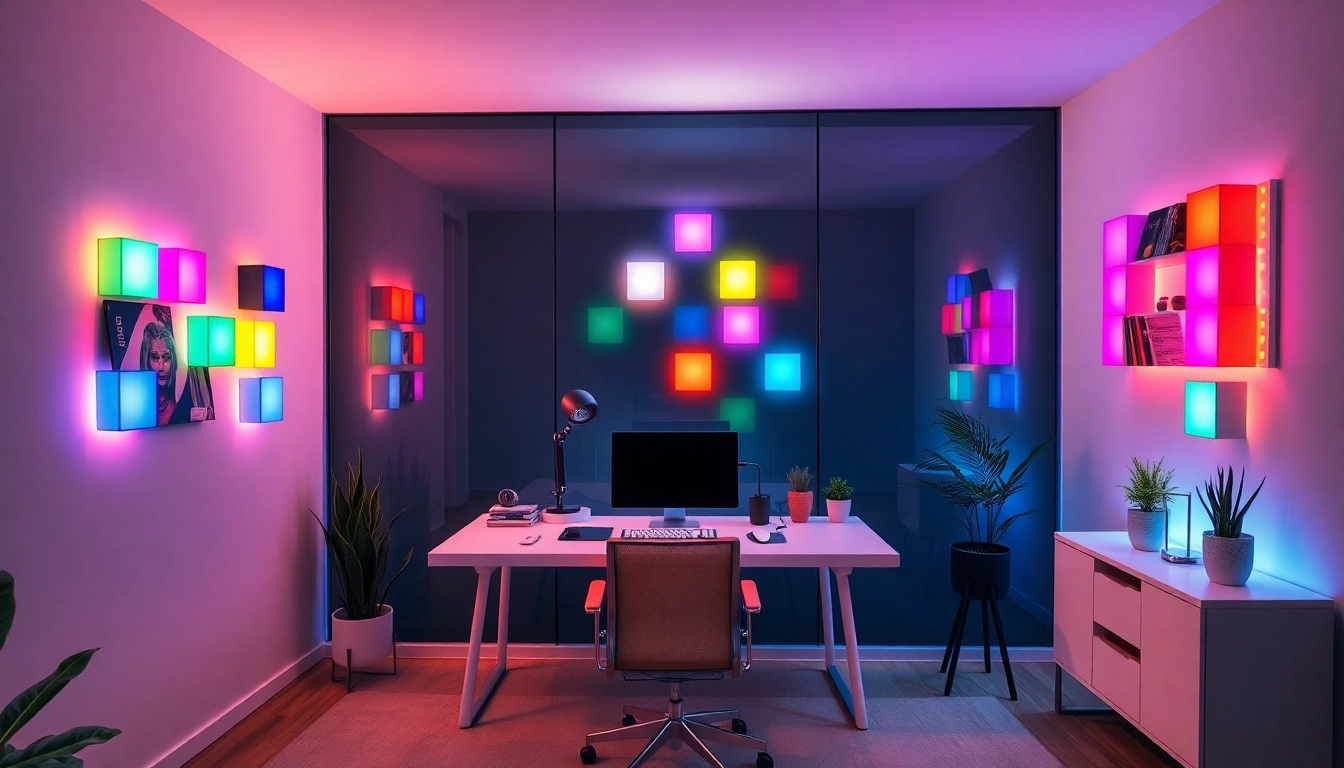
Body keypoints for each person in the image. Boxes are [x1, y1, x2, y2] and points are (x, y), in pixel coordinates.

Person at [140, 321, 178, 426]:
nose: (161, 367)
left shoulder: (181, 402)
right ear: (146, 360)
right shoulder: (139, 403)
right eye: (155, 357)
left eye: (166, 357)